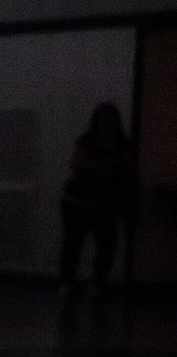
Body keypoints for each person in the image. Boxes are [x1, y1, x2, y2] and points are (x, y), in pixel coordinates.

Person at [59, 102, 138, 305]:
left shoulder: (122, 144)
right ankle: (68, 283)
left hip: (104, 204)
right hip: (78, 201)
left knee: (106, 245)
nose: (105, 122)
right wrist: (105, 167)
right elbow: (75, 164)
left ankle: (96, 283)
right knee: (74, 244)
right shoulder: (87, 141)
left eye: (108, 117)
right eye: (102, 117)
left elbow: (127, 172)